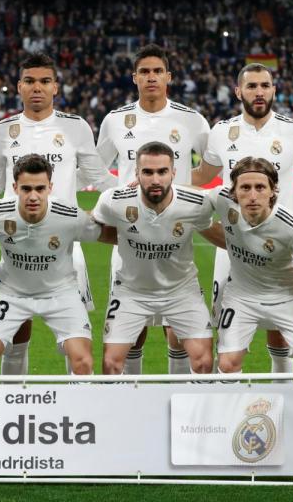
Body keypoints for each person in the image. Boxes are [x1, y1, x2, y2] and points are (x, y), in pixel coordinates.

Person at [192, 63, 293, 378]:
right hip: (232, 253)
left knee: (280, 329)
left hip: (280, 244)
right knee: (227, 343)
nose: (259, 92)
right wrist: (161, 183)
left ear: (274, 90)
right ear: (239, 91)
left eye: (265, 85)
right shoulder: (221, 132)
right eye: (251, 86)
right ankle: (224, 412)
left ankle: (285, 396)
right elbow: (202, 177)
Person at [0, 52, 117, 374]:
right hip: (17, 245)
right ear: (18, 87)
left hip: (66, 247)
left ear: (55, 87)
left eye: (44, 81)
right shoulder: (3, 130)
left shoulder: (76, 127)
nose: (36, 87)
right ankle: (15, 410)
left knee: (76, 348)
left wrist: (134, 193)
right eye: (29, 81)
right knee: (15, 336)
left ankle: (74, 413)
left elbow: (99, 178)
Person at [97, 43, 210, 375]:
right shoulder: (115, 121)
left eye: (157, 71)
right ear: (134, 78)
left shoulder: (192, 119)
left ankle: (177, 404)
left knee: (177, 331)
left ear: (168, 77)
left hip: (177, 236)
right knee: (133, 331)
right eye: (144, 72)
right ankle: (133, 401)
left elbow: (213, 165)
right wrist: (120, 197)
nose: (151, 77)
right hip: (131, 235)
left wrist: (186, 192)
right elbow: (95, 168)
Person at [0, 154, 104, 376]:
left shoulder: (70, 215)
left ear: (50, 187)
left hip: (60, 293)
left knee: (83, 363)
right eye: (26, 189)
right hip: (10, 293)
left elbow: (104, 233)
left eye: (40, 189)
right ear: (15, 187)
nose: (33, 196)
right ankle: (2, 407)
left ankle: (77, 410)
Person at [93, 142, 215, 376]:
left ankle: (186, 409)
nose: (155, 179)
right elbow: (92, 226)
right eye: (147, 172)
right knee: (111, 364)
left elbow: (219, 229)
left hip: (182, 290)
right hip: (131, 291)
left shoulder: (196, 204)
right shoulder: (114, 200)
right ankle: (126, 409)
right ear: (136, 173)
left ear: (173, 173)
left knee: (203, 362)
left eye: (162, 172)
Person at [211, 157, 293, 380]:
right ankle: (231, 414)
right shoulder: (221, 199)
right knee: (227, 364)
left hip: (288, 296)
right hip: (241, 297)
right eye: (245, 188)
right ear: (233, 191)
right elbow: (187, 197)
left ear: (273, 191)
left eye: (260, 187)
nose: (253, 196)